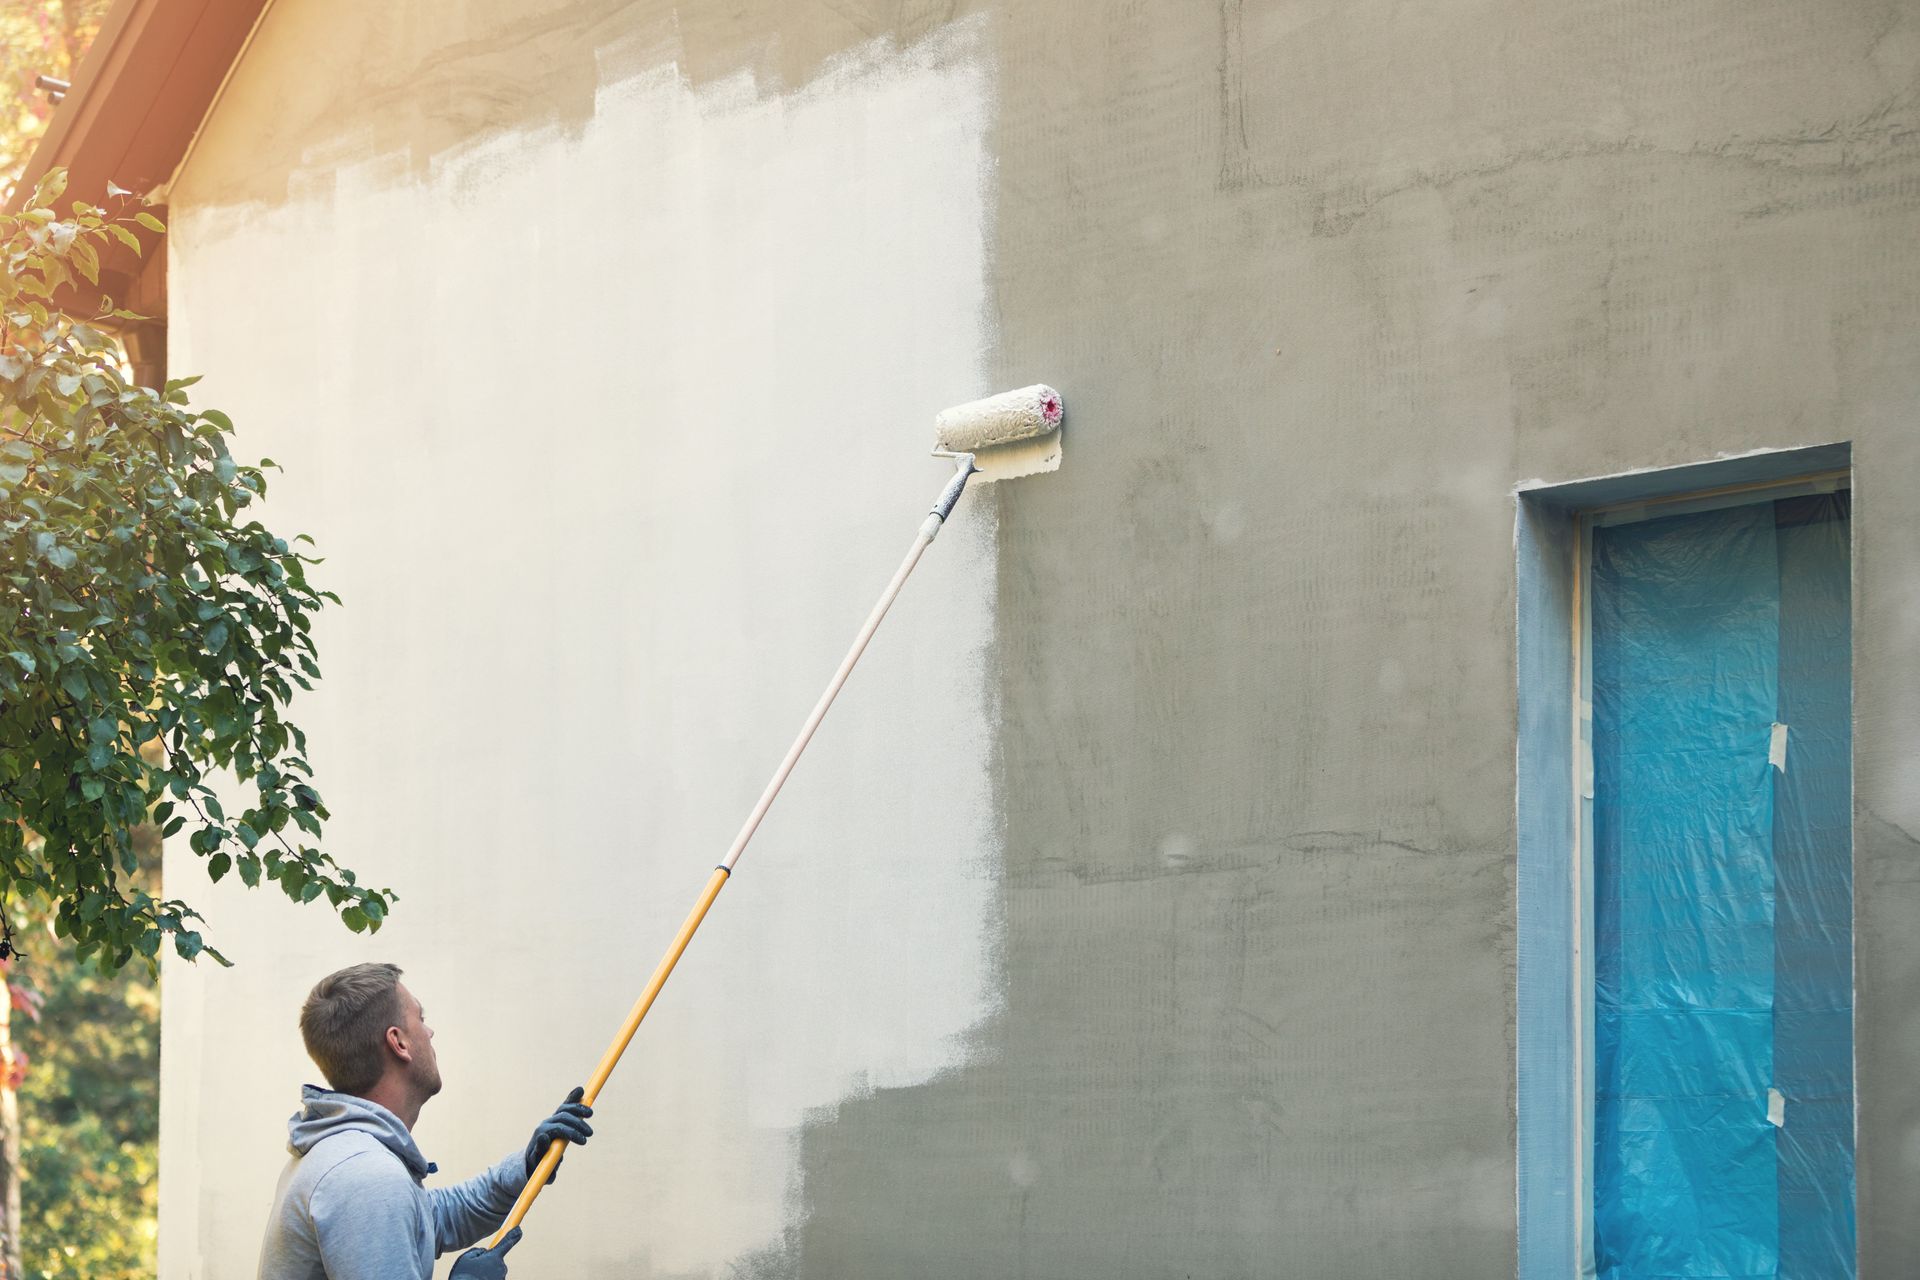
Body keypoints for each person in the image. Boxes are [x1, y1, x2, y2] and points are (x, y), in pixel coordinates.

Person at [257, 962, 594, 1280]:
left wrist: (526, 1166)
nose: (430, 1032)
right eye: (420, 1017)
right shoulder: (365, 1176)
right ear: (398, 1042)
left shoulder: (351, 1158)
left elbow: (436, 1217)